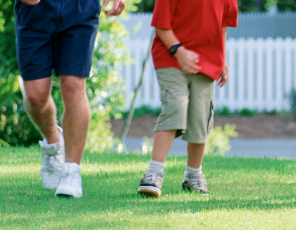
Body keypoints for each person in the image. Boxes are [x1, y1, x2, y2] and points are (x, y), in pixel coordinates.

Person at [15, 0, 126, 198]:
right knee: (35, 96)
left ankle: (71, 172)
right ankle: (54, 141)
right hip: (35, 11)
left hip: (80, 8)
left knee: (73, 85)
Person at [136, 0, 239, 198]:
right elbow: (161, 26)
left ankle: (193, 175)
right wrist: (179, 51)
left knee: (201, 115)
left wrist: (222, 59)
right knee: (176, 105)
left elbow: (222, 25)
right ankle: (154, 173)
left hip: (206, 61)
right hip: (170, 56)